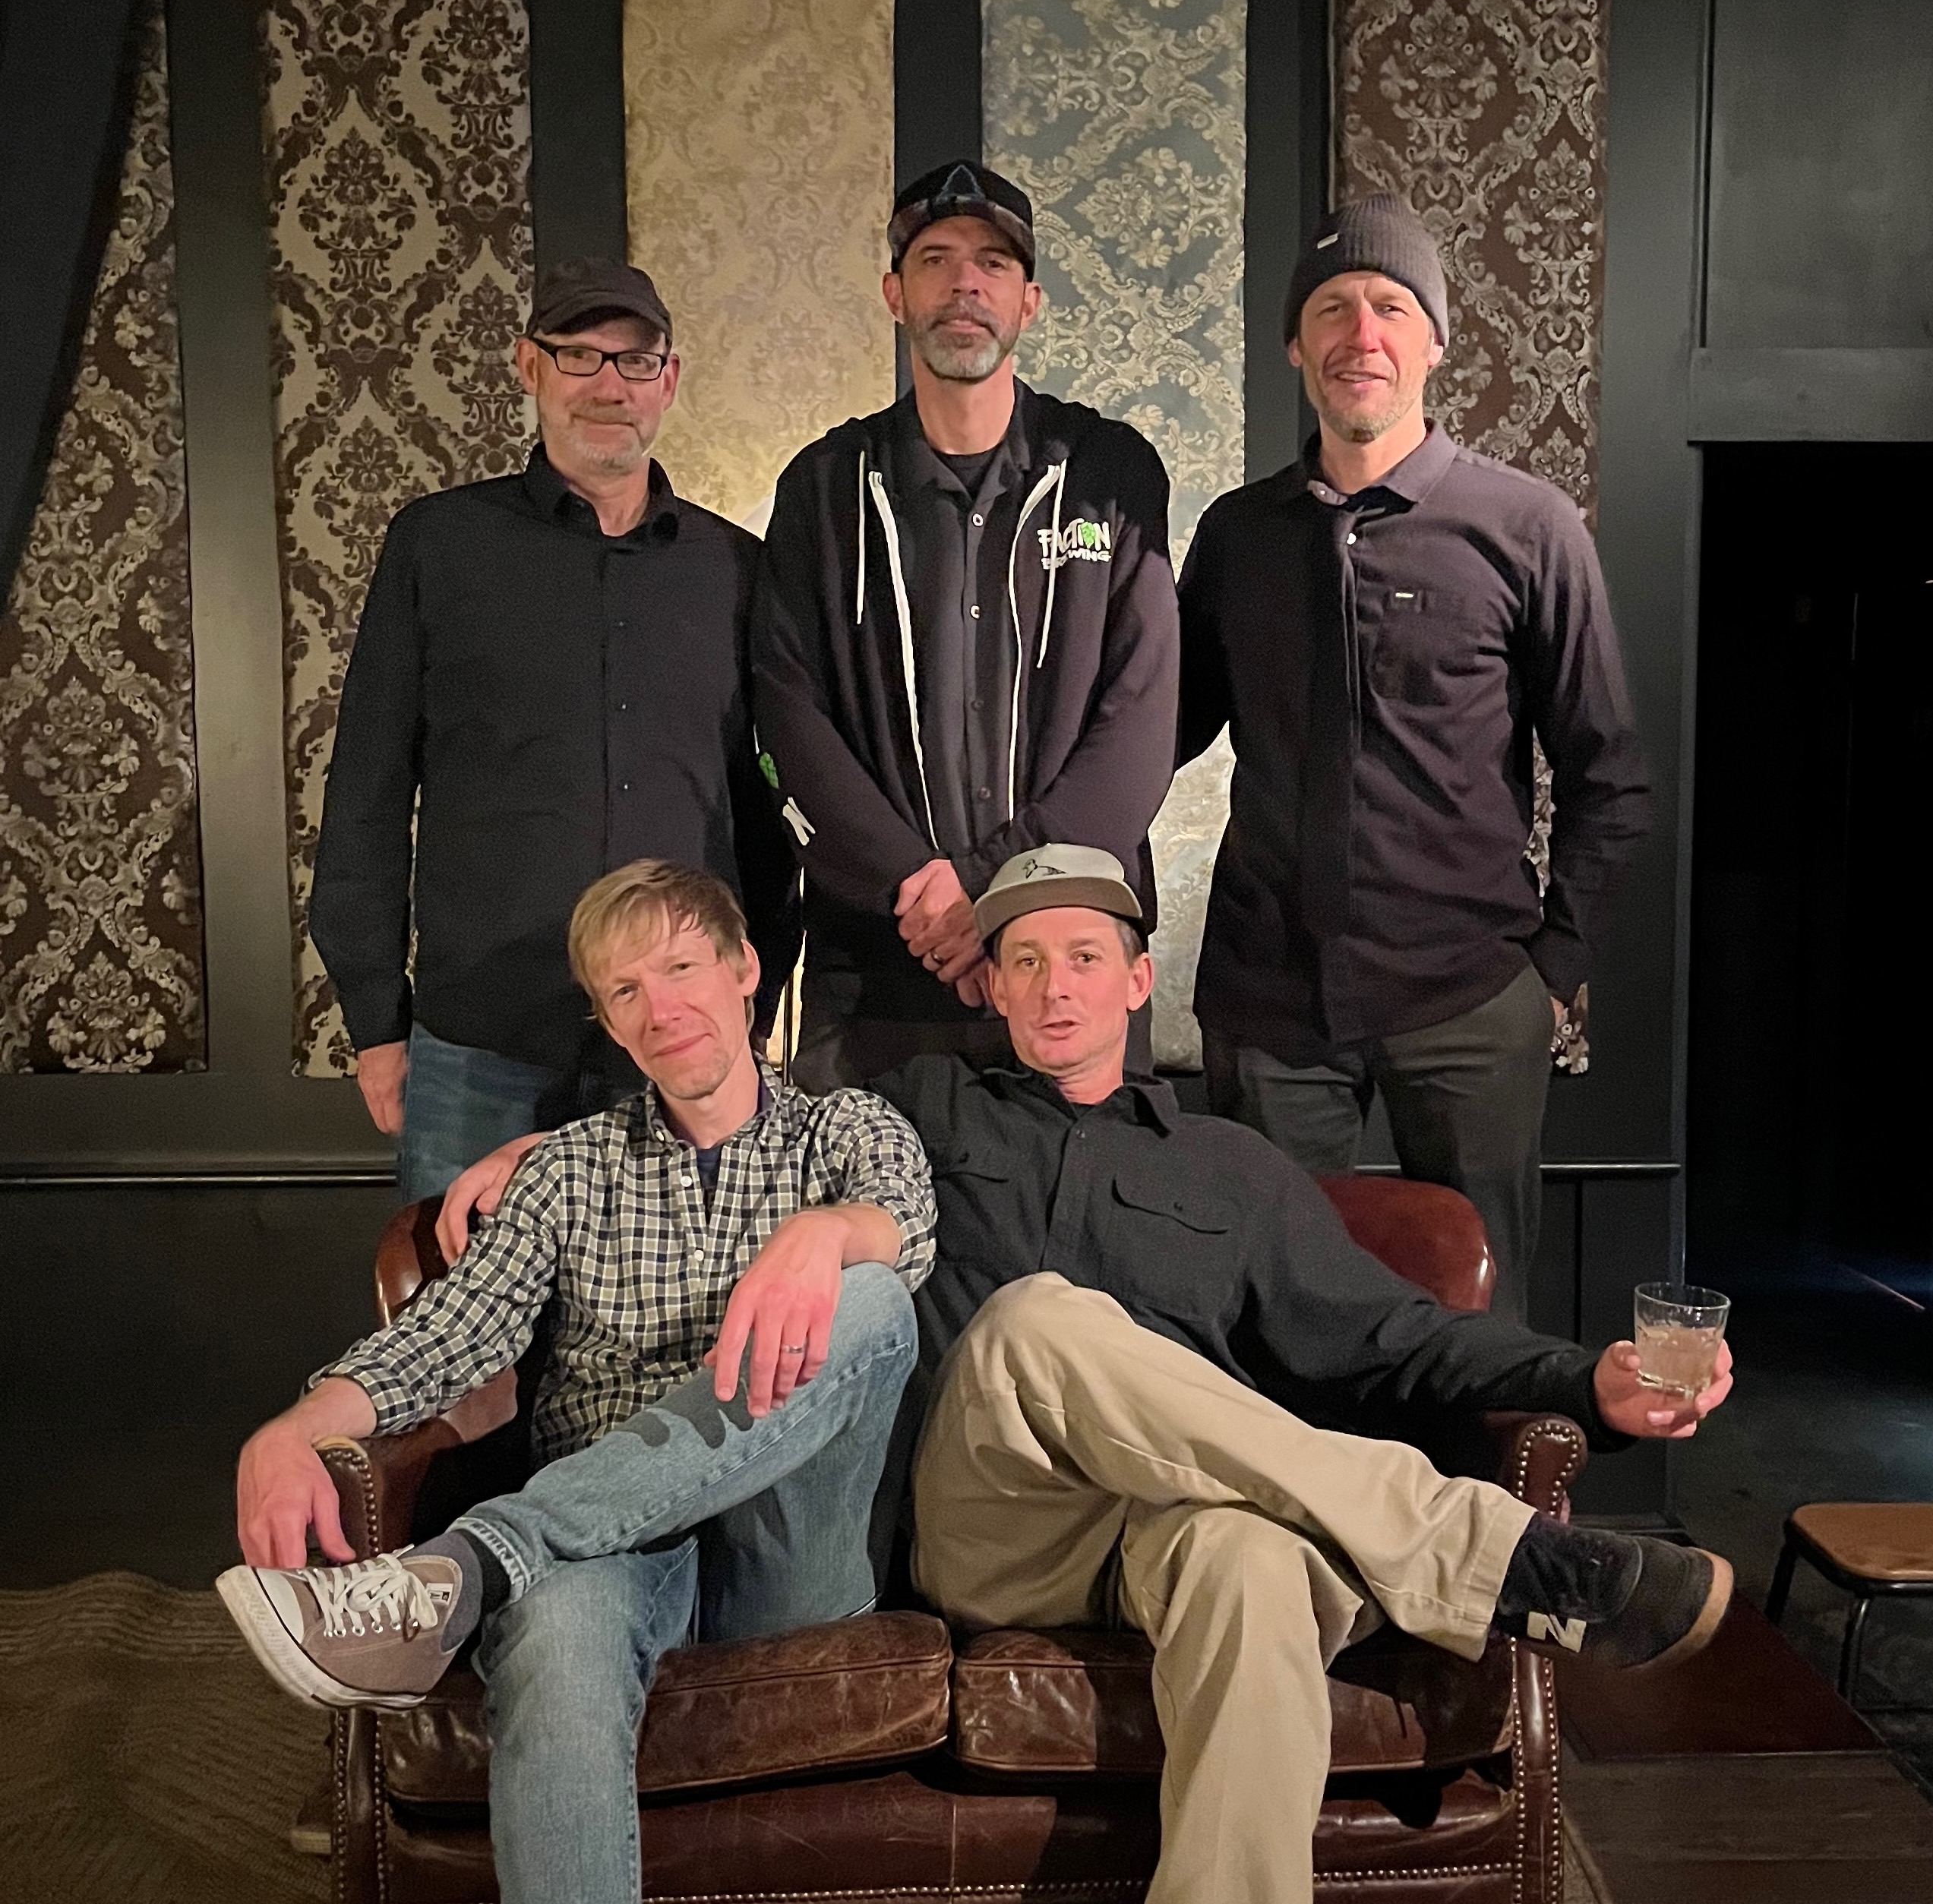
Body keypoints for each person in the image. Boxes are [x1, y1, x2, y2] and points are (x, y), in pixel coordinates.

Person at [873, 843, 1732, 1904]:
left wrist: (1584, 1381)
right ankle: (1484, 1552)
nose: (1056, 987)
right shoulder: (922, 1110)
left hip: (1166, 1529)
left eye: (1085, 957)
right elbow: (768, 1144)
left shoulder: (1233, 1168)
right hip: (998, 1525)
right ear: (994, 987)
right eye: (1027, 960)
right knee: (1034, 1319)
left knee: (1254, 1559)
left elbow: (1395, 1333)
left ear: (1137, 981)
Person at [216, 860, 933, 1904]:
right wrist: (297, 1424)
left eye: (682, 968)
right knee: (553, 1627)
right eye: (625, 989)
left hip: (789, 1549)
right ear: (608, 1022)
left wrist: (825, 1234)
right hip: (608, 1550)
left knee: (870, 1296)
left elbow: (905, 1221)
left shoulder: (848, 1130)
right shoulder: (567, 1170)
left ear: (744, 969)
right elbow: (447, 1337)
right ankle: (510, 1562)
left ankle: (476, 1559)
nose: (661, 1008)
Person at [1176, 195, 1650, 1321]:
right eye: (1332, 309)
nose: (1363, 334)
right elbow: (1163, 729)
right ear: (1295, 347)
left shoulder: (1527, 528)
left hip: (1468, 997)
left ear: (1434, 341)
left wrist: (1550, 971)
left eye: (1391, 307)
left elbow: (1609, 775)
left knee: (1479, 1326)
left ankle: (1475, 1461)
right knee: (1272, 1314)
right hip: (1269, 1000)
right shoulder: (1237, 535)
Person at [311, 257, 798, 1201]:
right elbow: (367, 789)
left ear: (669, 380)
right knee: (467, 1292)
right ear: (529, 367)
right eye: (579, 356)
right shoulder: (438, 546)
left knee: (680, 1296)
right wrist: (375, 1017)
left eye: (635, 360)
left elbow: (765, 811)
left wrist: (756, 991)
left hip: (679, 1040)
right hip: (481, 1042)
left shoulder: (736, 570)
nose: (609, 386)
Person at [753, 160, 1179, 1089]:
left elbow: (1140, 727)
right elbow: (787, 715)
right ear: (894, 294)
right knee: (864, 1193)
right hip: (875, 972)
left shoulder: (1111, 474)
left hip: (1065, 969)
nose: (964, 285)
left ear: (1029, 303)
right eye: (935, 260)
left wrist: (990, 887)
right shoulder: (823, 486)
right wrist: (918, 888)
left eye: (992, 264)